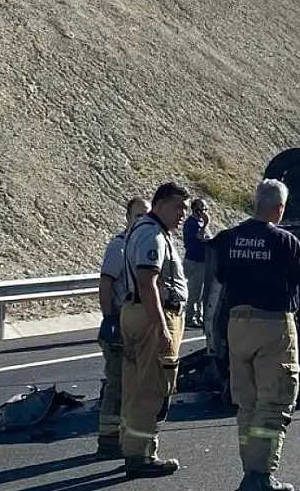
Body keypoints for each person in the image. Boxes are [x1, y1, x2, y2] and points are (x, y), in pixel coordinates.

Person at [210, 178, 300, 491]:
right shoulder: (285, 240)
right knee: (274, 401)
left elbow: (220, 274)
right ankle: (260, 476)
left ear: (255, 203)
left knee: (247, 403)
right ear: (280, 208)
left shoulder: (229, 238)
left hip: (237, 325)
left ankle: (251, 470)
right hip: (273, 326)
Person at [119, 181, 191, 478]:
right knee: (152, 387)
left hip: (139, 314)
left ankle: (133, 448)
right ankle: (142, 457)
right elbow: (147, 281)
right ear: (159, 204)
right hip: (152, 318)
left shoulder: (149, 231)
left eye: (185, 209)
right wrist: (162, 327)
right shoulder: (153, 234)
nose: (182, 214)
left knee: (136, 386)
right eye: (177, 207)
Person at [95, 196, 150, 459]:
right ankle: (108, 440)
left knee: (130, 385)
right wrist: (109, 319)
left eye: (146, 215)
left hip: (134, 324)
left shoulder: (138, 244)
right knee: (117, 383)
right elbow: (106, 284)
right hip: (119, 321)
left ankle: (123, 438)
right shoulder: (120, 246)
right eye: (137, 216)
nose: (142, 220)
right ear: (128, 217)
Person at [182, 198, 213, 328]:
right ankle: (190, 317)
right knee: (195, 291)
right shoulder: (191, 223)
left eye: (206, 209)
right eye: (203, 209)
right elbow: (199, 237)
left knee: (201, 292)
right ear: (196, 209)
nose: (205, 212)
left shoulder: (200, 223)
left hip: (203, 261)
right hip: (194, 260)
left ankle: (198, 316)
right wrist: (206, 224)